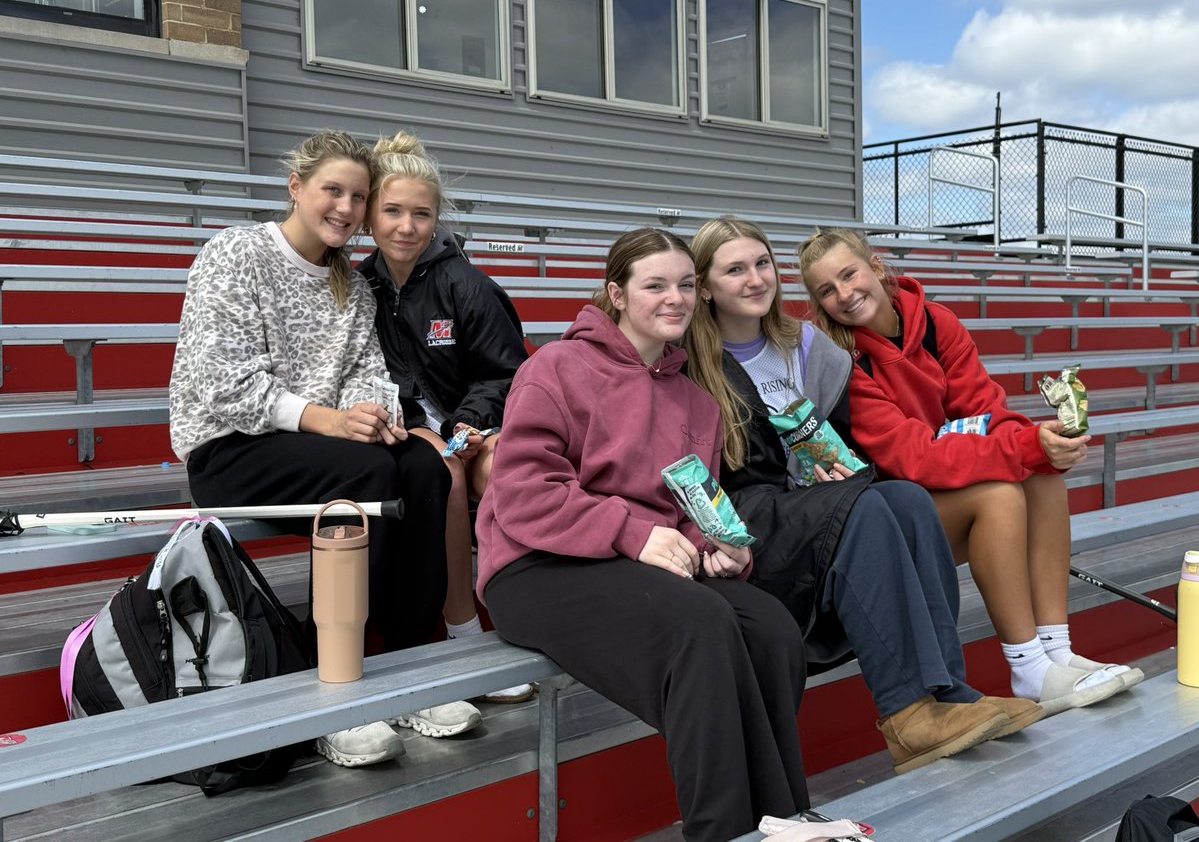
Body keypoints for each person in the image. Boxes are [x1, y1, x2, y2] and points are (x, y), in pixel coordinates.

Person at [476, 228, 808, 841]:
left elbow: (690, 507)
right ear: (617, 294)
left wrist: (715, 546)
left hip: (638, 564)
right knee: (699, 623)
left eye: (686, 284)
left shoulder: (697, 401)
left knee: (771, 629)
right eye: (655, 285)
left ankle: (779, 819)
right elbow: (523, 494)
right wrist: (630, 533)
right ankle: (722, 830)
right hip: (536, 565)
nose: (674, 298)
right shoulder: (556, 367)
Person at [685, 215, 1040, 775]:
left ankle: (949, 692)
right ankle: (906, 713)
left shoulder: (805, 345)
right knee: (870, 505)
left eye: (762, 263)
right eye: (734, 270)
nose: (755, 279)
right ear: (704, 287)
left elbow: (843, 442)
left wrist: (833, 467)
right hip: (744, 515)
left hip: (807, 501)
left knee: (908, 500)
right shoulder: (689, 359)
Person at [169, 129, 469, 769]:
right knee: (365, 473)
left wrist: (371, 414)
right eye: (333, 190)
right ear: (296, 186)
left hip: (325, 446)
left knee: (423, 464)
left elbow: (366, 373)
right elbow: (220, 383)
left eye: (358, 197)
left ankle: (408, 661)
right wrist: (329, 421)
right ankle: (334, 689)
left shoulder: (352, 288)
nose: (346, 208)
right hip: (233, 449)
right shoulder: (236, 253)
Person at [799, 227, 1139, 712]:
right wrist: (1021, 448)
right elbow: (913, 458)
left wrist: (1036, 443)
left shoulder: (937, 323)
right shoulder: (843, 362)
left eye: (849, 275)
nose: (845, 294)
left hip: (939, 491)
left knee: (1042, 477)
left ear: (875, 265)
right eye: (827, 291)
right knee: (1000, 494)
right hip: (892, 520)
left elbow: (985, 410)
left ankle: (1057, 652)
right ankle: (1028, 668)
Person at [358, 130, 533, 706]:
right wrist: (414, 425)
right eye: (392, 211)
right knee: (446, 473)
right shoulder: (360, 286)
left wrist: (469, 422)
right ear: (370, 215)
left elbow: (508, 373)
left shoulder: (468, 285)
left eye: (422, 214)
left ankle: (534, 614)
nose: (406, 226)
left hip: (476, 425)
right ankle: (463, 629)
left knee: (511, 468)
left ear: (437, 219)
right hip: (406, 429)